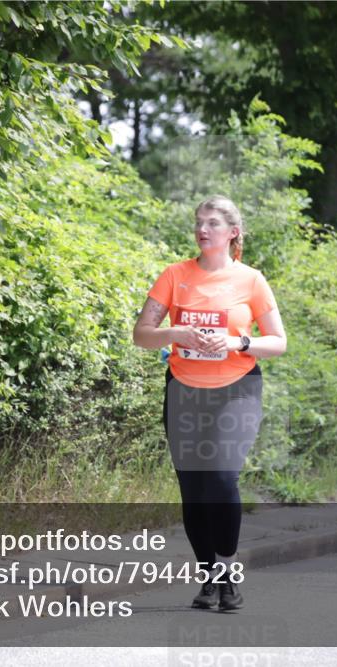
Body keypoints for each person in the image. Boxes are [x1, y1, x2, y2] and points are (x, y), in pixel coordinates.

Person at [132, 195, 287, 611]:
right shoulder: (174, 275)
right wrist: (173, 334)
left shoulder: (251, 280)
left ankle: (229, 571)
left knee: (220, 478)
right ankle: (209, 577)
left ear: (233, 232)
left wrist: (239, 341)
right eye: (199, 222)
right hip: (183, 388)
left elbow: (278, 341)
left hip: (237, 388)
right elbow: (141, 334)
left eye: (214, 223)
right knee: (194, 489)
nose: (203, 230)